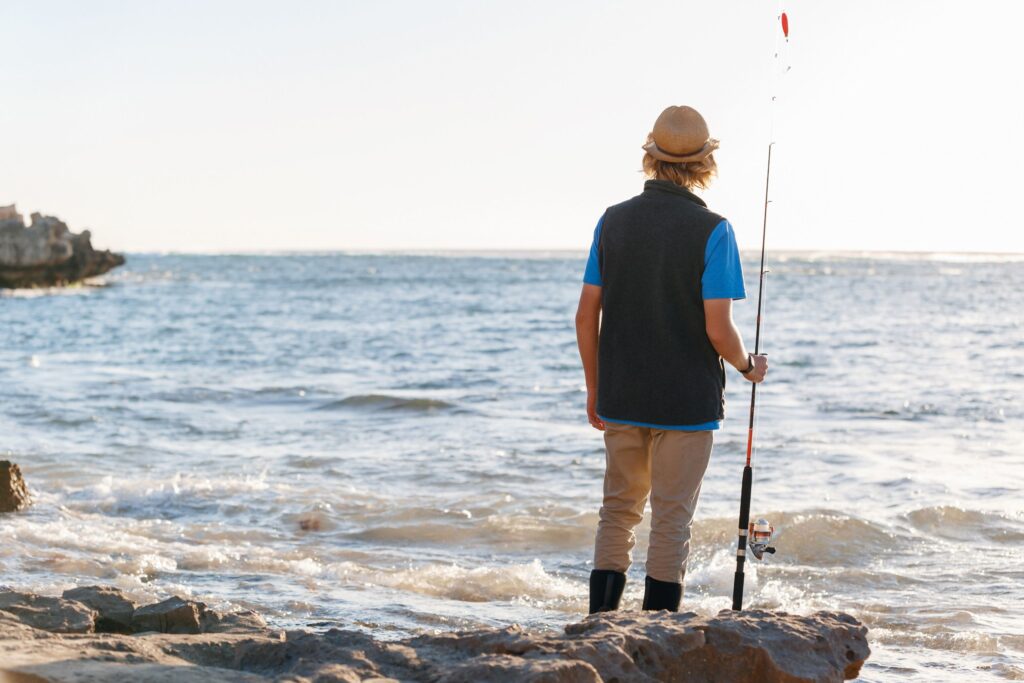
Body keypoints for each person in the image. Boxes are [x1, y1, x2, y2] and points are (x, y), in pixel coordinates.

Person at [575, 105, 768, 613]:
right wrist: (749, 367)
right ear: (705, 164)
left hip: (620, 394)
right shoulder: (714, 230)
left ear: (651, 158)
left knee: (617, 511)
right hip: (686, 402)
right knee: (671, 518)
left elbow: (584, 316)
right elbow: (718, 330)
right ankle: (659, 633)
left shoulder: (611, 222)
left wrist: (596, 389)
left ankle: (600, 628)